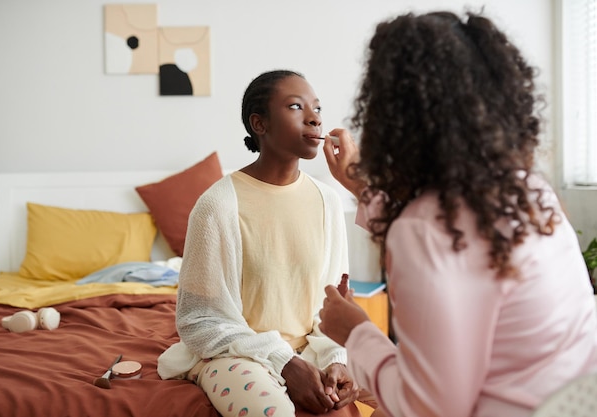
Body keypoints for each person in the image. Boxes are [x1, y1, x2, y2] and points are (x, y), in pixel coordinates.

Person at [318, 11, 597, 417]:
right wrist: (362, 187)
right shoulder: (530, 191)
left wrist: (357, 332)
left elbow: (431, 406)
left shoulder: (423, 229)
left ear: (393, 117)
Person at [158, 69, 361, 416]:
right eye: (296, 107)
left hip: (308, 351)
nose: (314, 118)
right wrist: (284, 363)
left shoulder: (328, 201)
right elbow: (198, 322)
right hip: (235, 354)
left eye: (317, 108)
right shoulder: (217, 205)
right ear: (260, 124)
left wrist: (336, 359)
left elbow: (331, 305)